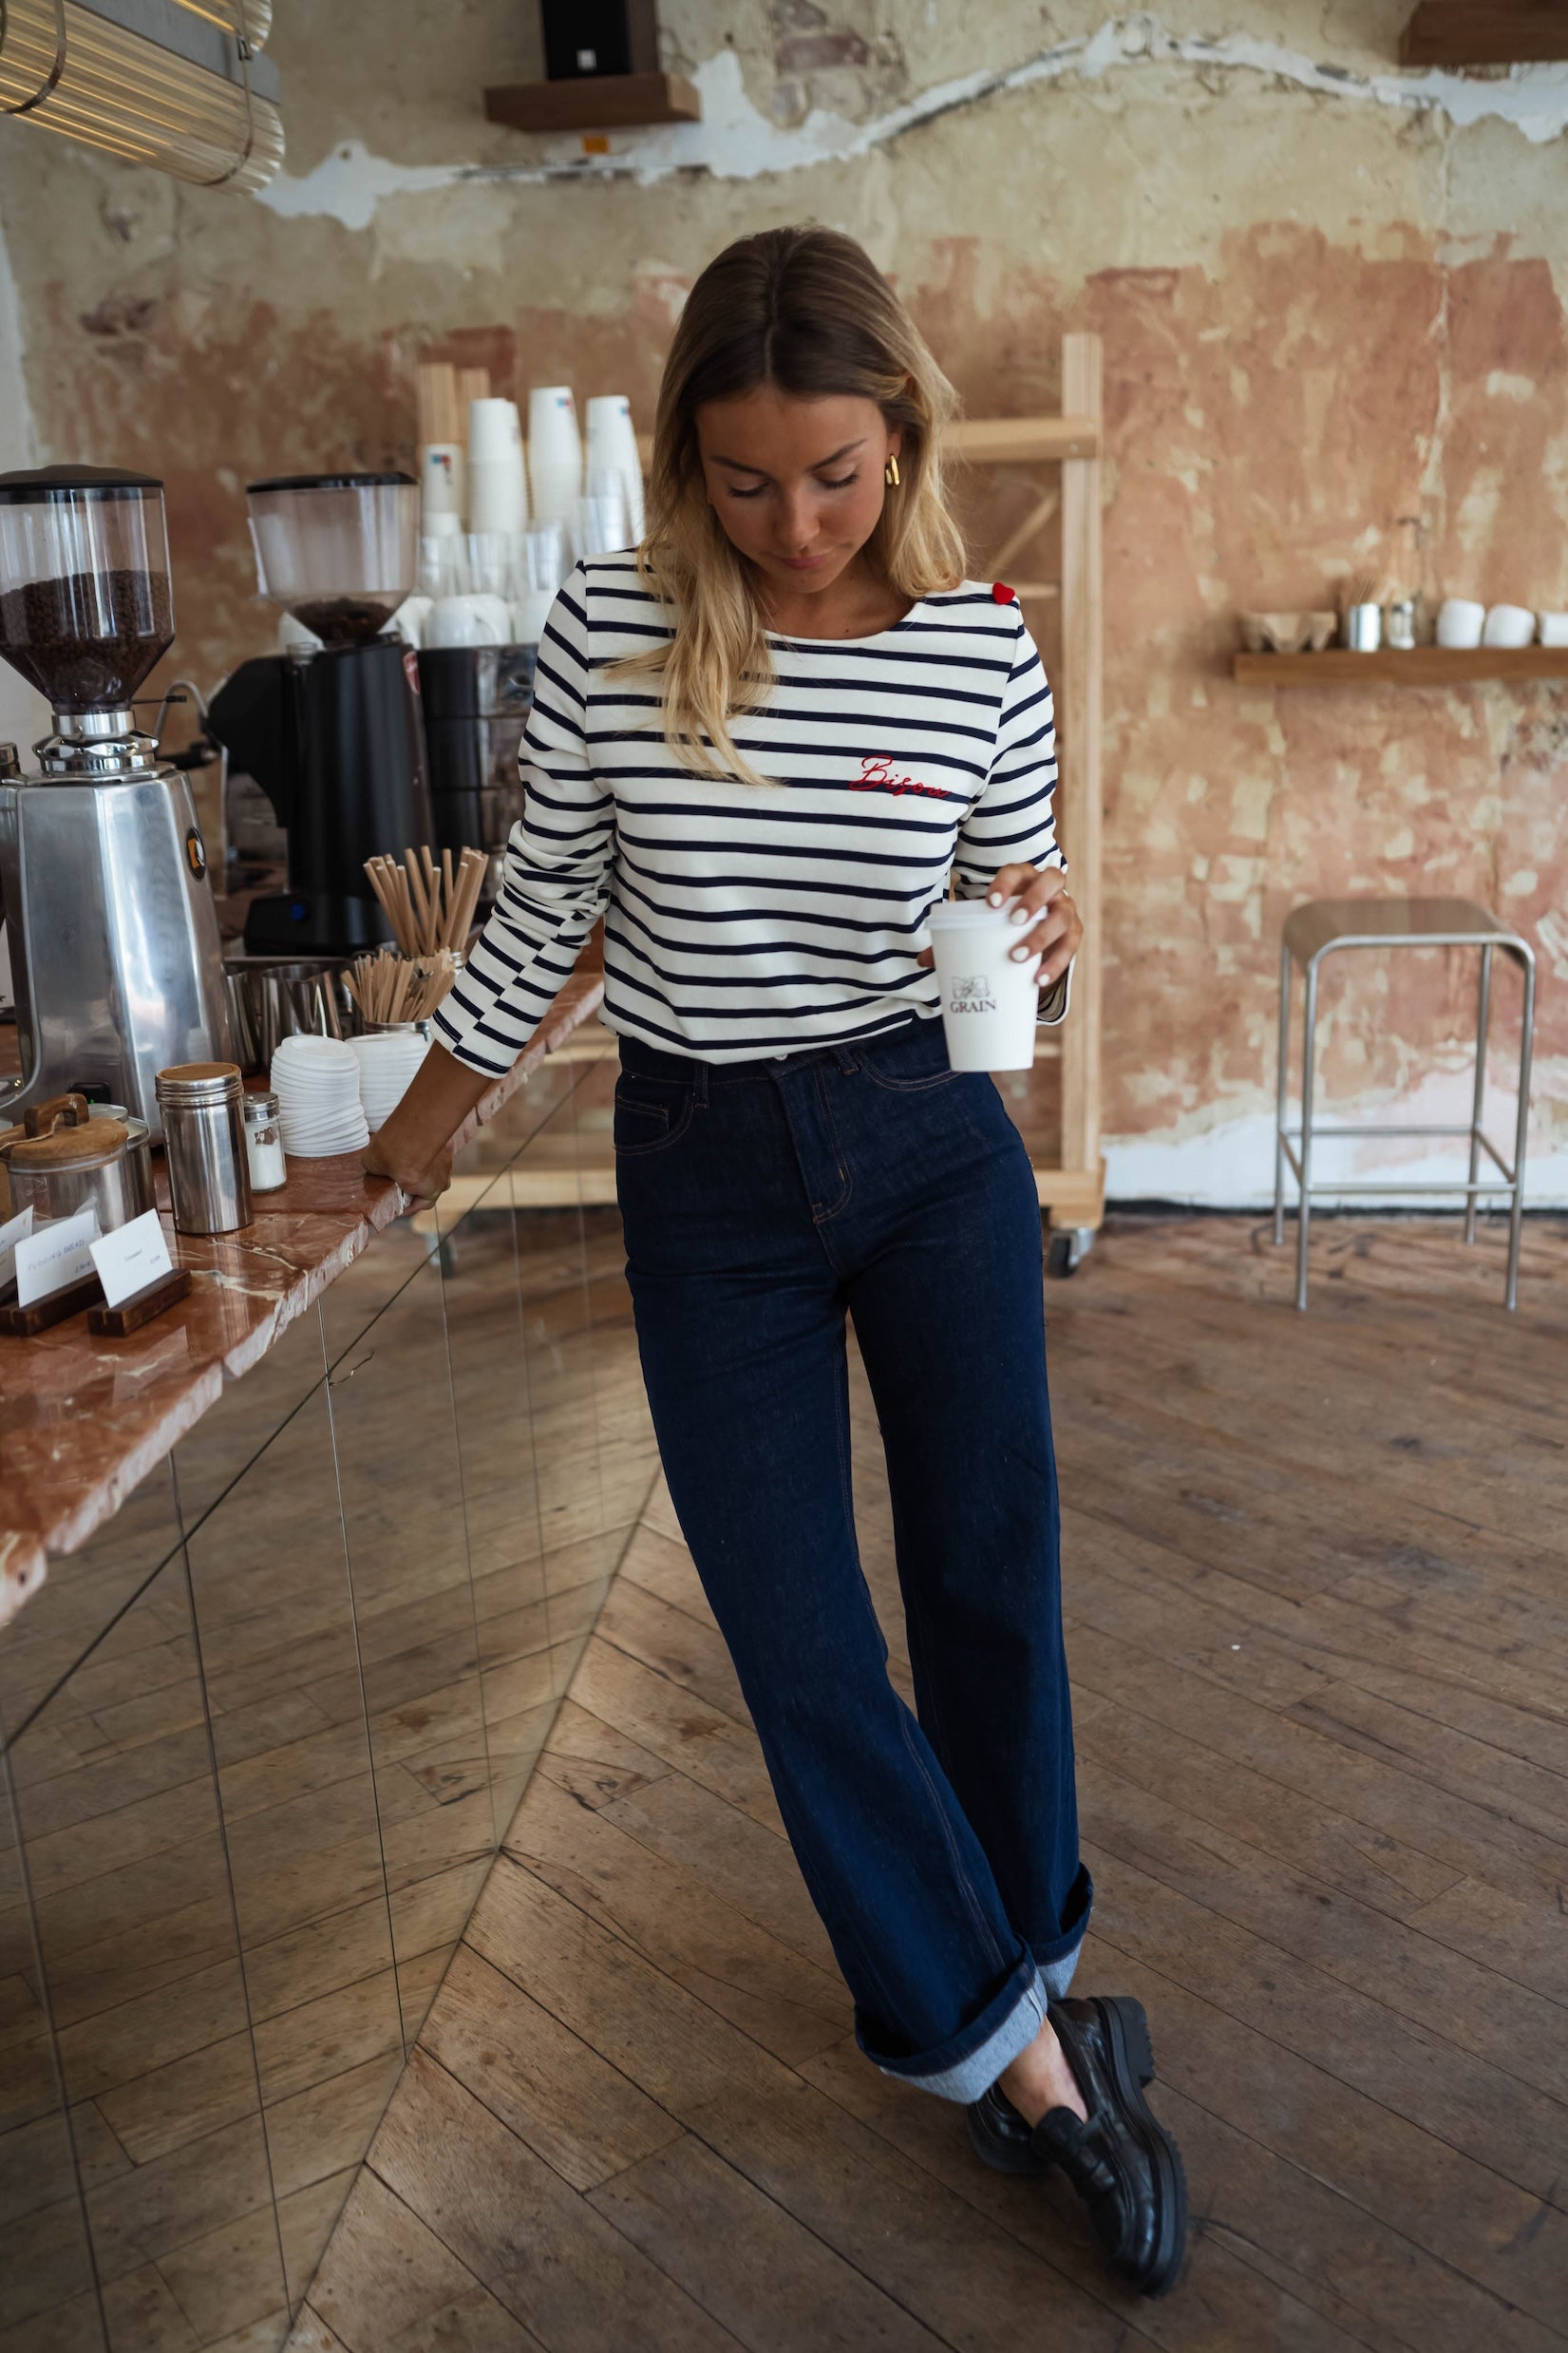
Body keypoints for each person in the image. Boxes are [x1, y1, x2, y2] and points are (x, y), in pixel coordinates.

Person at [366, 223, 1186, 2298]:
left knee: (986, 1571)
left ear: (895, 432)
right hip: (703, 1168)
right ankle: (1018, 2056)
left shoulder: (979, 642)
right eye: (745, 479)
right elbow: (542, 910)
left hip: (928, 1142)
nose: (793, 520)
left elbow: (1010, 936)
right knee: (793, 1632)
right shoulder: (611, 622)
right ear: (685, 464)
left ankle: (1028, 1969)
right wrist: (407, 1136)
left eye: (831, 471)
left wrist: (1052, 944)